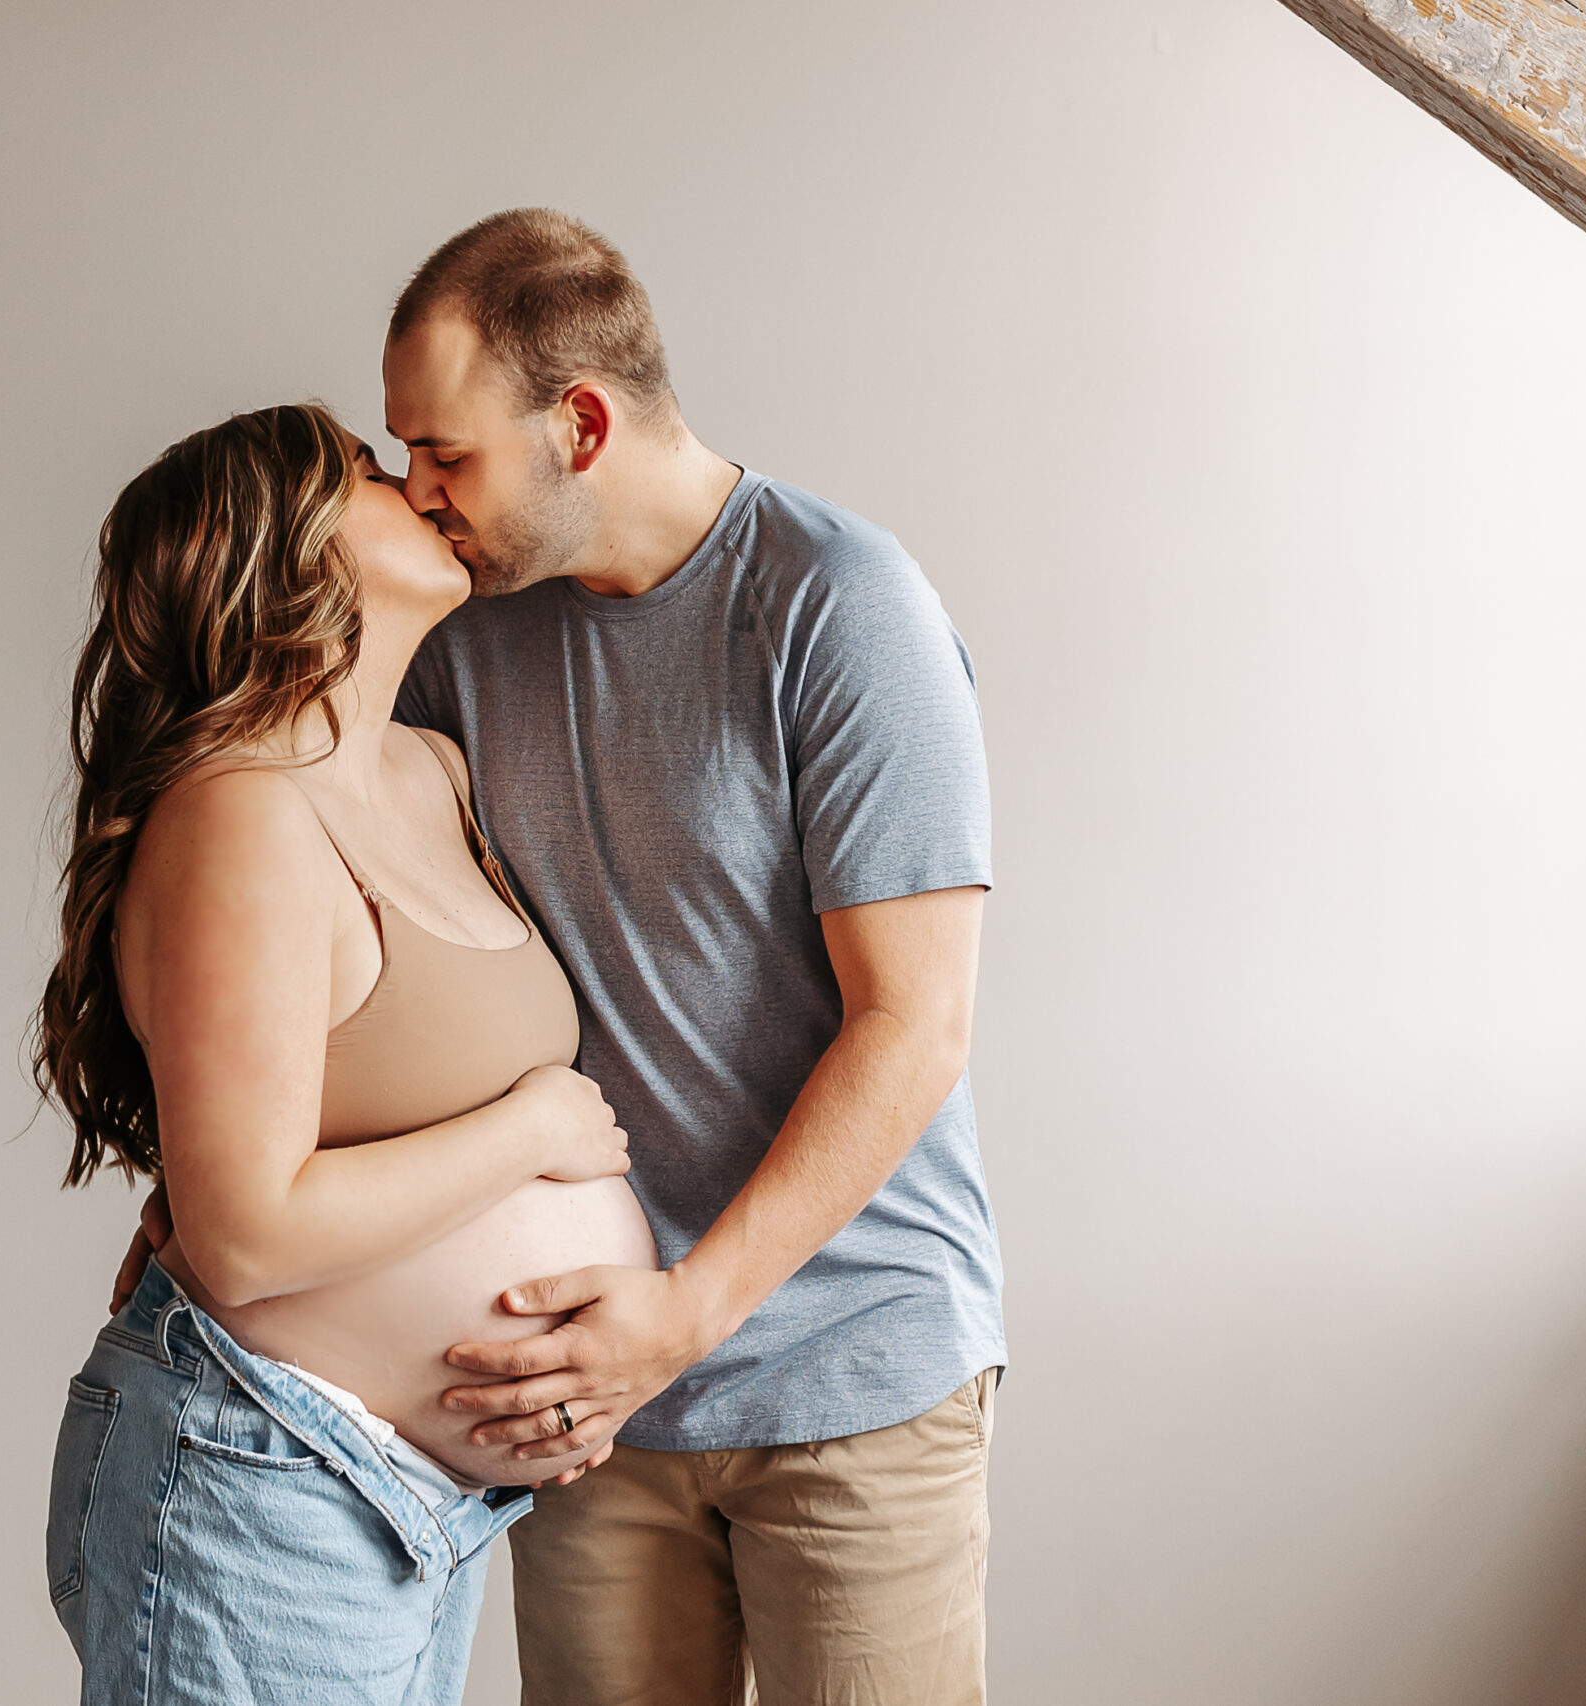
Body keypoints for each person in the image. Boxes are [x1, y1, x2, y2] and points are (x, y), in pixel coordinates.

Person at [383, 210, 1004, 1706]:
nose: (416, 496)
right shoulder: (464, 636)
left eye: (444, 454)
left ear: (578, 424)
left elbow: (914, 1024)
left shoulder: (840, 604)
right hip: (592, 1399)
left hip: (854, 1374)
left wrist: (688, 1313)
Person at [34, 401, 659, 1706]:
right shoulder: (241, 816)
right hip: (259, 1476)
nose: (419, 487)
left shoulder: (436, 771)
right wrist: (533, 1137)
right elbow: (247, 1230)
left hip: (413, 1505)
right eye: (370, 473)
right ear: (282, 549)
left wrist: (580, 1370)